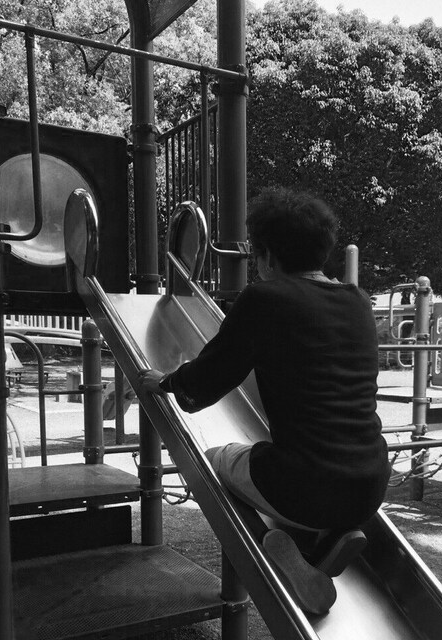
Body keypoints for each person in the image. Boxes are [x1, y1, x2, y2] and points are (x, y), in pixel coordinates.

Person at [139, 188, 391, 615]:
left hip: (305, 488)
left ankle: (283, 551)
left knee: (212, 461)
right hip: (369, 488)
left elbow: (205, 381)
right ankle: (318, 546)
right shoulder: (358, 302)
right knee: (292, 468)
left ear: (268, 255)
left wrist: (164, 382)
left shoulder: (265, 299)